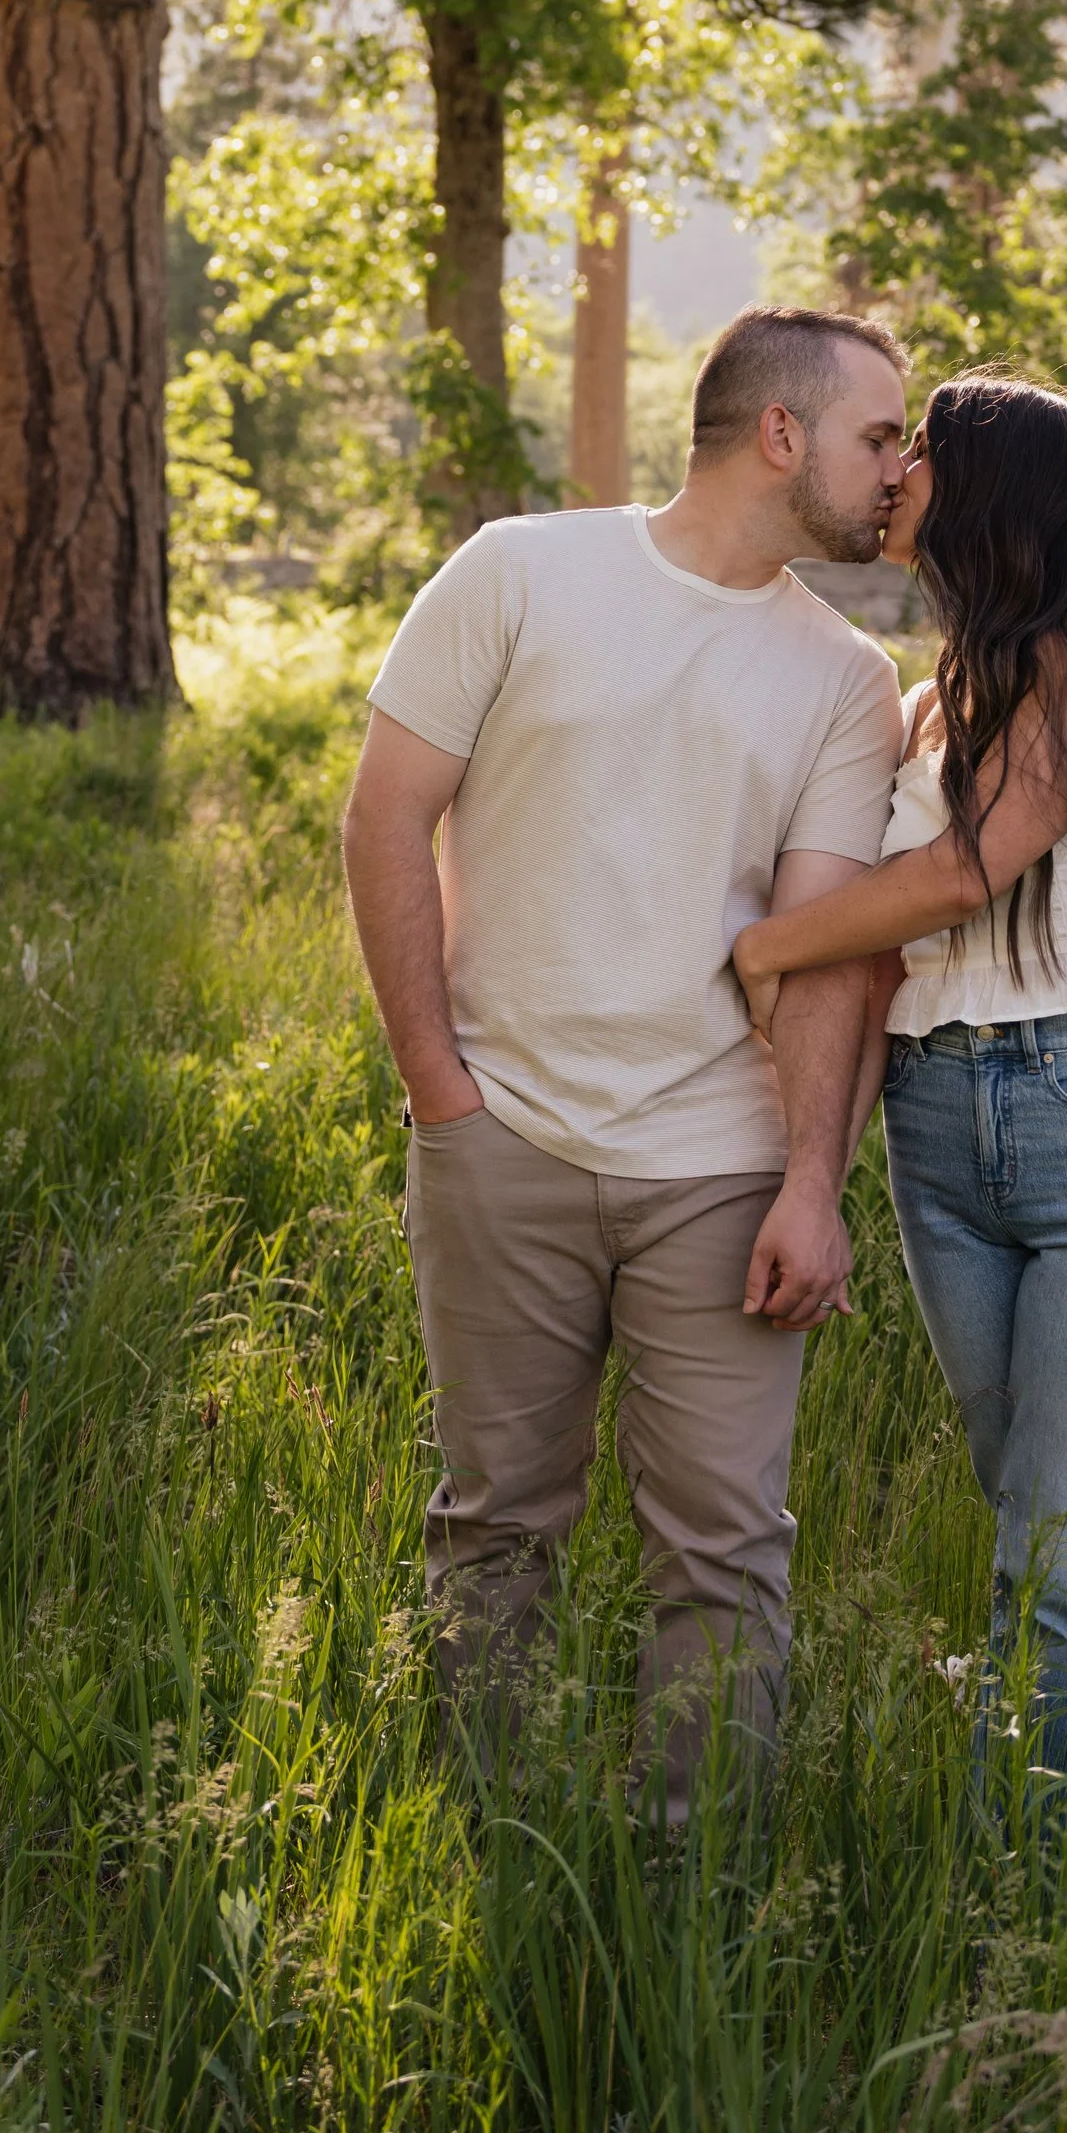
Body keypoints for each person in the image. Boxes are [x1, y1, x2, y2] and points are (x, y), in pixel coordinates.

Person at [340, 305, 909, 1816]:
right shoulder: (520, 571)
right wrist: (441, 1097)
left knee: (726, 1548)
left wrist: (811, 1182)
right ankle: (490, 1854)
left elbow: (825, 944)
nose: (898, 472)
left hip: (719, 1173)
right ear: (781, 434)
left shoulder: (850, 678)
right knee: (493, 1527)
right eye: (878, 436)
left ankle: (694, 1902)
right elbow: (384, 815)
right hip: (500, 1139)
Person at [729, 372, 1067, 1830]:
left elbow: (959, 875)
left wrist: (760, 949)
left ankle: (1016, 1910)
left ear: (992, 485)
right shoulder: (936, 692)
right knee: (1053, 1533)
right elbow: (884, 927)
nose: (892, 473)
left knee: (1053, 1559)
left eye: (921, 450)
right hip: (941, 1131)